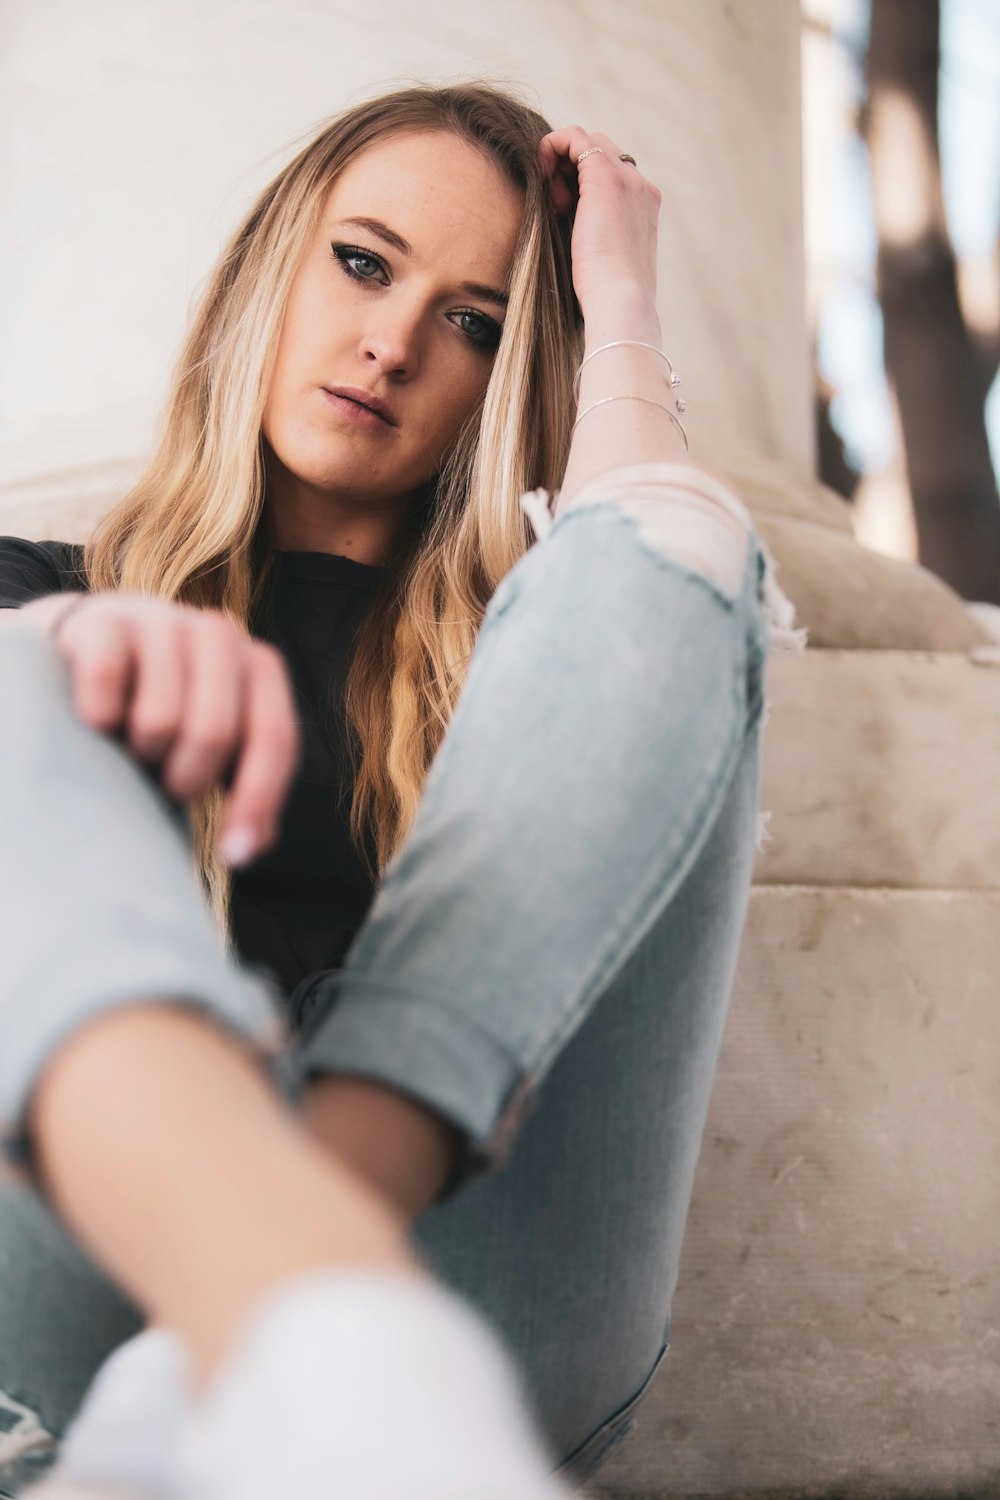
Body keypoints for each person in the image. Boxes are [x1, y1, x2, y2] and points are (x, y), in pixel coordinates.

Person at [0, 82, 797, 1499]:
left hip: (485, 1300)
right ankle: (296, 1329)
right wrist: (62, 650)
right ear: (273, 267)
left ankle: (299, 1314)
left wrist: (617, 305)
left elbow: (650, 555)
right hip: (91, 1281)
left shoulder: (540, 665)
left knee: (684, 542)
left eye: (475, 322)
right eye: (364, 263)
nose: (392, 342)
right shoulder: (38, 590)